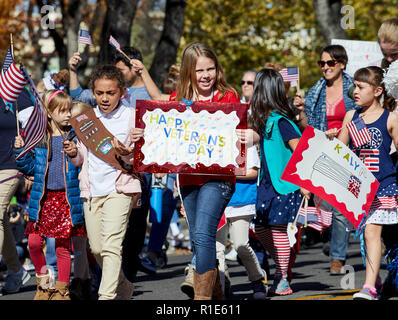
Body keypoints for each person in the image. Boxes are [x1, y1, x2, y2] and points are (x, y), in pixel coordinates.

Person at [167, 42, 239, 300]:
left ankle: (203, 299)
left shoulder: (227, 96)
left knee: (203, 233)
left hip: (219, 177)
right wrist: (145, 133)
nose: (206, 75)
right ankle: (217, 293)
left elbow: (238, 133)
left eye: (211, 69)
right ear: (189, 72)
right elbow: (168, 142)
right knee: (198, 240)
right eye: (200, 70)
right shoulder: (177, 101)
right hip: (188, 177)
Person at [64, 65, 143, 300]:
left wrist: (129, 151)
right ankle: (123, 285)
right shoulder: (86, 120)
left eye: (110, 93)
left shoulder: (132, 116)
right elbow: (81, 159)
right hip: (92, 190)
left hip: (121, 188)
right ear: (93, 93)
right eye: (100, 93)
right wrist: (72, 153)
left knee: (111, 246)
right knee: (97, 248)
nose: (105, 98)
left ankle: (106, 295)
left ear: (122, 92)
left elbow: (141, 159)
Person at [325, 66, 398, 300]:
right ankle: (374, 278)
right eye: (354, 86)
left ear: (377, 90)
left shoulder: (392, 118)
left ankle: (369, 287)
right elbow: (340, 151)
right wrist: (333, 138)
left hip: (384, 185)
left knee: (372, 233)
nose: (354, 91)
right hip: (358, 187)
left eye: (361, 86)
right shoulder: (351, 116)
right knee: (366, 234)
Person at [14, 90, 85, 300]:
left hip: (66, 198)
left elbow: (82, 166)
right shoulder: (39, 138)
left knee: (63, 246)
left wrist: (74, 151)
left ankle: (61, 291)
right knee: (34, 243)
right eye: (61, 111)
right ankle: (44, 285)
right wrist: (20, 151)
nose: (66, 115)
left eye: (68, 110)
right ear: (48, 112)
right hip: (43, 199)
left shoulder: (74, 135)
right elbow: (29, 168)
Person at [293, 44, 357, 275]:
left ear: (341, 64)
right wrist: (301, 111)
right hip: (322, 151)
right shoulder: (316, 90)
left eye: (330, 63)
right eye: (322, 63)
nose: (325, 67)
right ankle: (330, 239)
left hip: (349, 151)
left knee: (340, 207)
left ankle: (337, 258)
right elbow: (306, 128)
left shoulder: (353, 89)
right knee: (324, 204)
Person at [246, 68, 310, 296]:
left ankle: (282, 276)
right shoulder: (265, 121)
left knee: (278, 229)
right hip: (266, 183)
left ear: (263, 91)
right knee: (261, 228)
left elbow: (300, 152)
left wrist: (304, 183)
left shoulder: (282, 122)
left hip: (284, 185)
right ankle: (282, 263)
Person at [215, 143, 268, 300]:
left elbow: (253, 172)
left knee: (241, 245)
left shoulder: (246, 140)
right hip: (216, 200)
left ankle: (258, 279)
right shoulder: (212, 138)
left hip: (241, 201)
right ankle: (221, 288)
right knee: (217, 249)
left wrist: (225, 172)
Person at [0, 87, 33, 295]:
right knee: (1, 220)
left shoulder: (12, 89)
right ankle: (15, 270)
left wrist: (31, 166)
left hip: (10, 165)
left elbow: (34, 127)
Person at [377, 18, 398, 298]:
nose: (390, 59)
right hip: (389, 147)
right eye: (386, 55)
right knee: (389, 214)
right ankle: (394, 269)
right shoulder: (385, 70)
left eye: (395, 54)